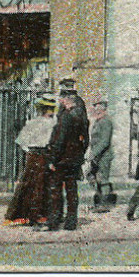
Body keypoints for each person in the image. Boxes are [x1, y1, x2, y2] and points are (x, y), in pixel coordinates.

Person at [43, 82, 89, 231]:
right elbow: (86, 140)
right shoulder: (82, 116)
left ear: (67, 100)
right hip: (74, 160)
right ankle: (71, 222)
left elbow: (60, 140)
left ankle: (54, 221)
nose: (60, 102)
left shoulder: (66, 117)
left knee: (55, 190)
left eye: (61, 99)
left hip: (61, 160)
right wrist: (80, 154)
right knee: (71, 191)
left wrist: (52, 159)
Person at [5, 97, 56, 226]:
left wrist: (29, 151)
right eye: (48, 109)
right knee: (36, 184)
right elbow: (22, 140)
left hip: (39, 155)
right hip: (39, 155)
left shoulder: (48, 123)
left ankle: (38, 215)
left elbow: (21, 142)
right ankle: (34, 215)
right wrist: (32, 150)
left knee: (39, 184)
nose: (50, 112)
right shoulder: (41, 123)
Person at [86, 99, 115, 212]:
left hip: (104, 155)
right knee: (93, 177)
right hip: (97, 156)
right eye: (95, 107)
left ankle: (104, 204)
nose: (97, 110)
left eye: (99, 107)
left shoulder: (106, 121)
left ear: (104, 108)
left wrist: (93, 154)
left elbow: (105, 141)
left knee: (103, 180)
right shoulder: (98, 121)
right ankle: (98, 203)